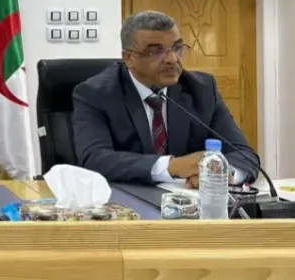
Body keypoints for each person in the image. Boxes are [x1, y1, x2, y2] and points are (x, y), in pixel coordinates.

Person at [72, 10, 257, 187]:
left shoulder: (202, 90)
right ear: (128, 58)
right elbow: (93, 159)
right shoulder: (96, 94)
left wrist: (224, 173)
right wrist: (171, 166)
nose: (172, 59)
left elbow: (244, 154)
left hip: (191, 203)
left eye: (177, 48)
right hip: (127, 202)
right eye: (155, 51)